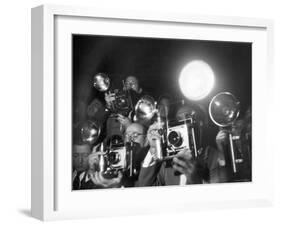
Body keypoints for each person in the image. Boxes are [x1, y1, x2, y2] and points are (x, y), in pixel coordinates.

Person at [88, 123, 149, 188]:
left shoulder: (150, 166)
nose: (130, 139)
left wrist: (117, 186)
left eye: (135, 135)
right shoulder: (114, 161)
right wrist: (94, 168)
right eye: (126, 136)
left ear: (146, 141)